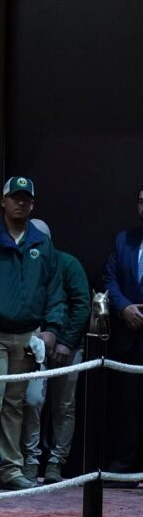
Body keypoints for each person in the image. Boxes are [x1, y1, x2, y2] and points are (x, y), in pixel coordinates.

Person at [0, 176, 64, 491]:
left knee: (16, 402)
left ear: (33, 203)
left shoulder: (42, 242)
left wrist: (52, 327)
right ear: (3, 201)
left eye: (26, 199)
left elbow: (54, 288)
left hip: (27, 334)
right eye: (15, 198)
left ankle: (11, 469)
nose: (21, 203)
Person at [20, 219, 90, 484]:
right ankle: (30, 460)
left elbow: (82, 305)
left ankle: (55, 463)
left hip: (66, 346)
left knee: (63, 405)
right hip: (33, 344)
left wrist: (65, 342)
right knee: (32, 401)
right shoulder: (23, 264)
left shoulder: (68, 264)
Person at [102, 187, 143, 485]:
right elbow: (110, 279)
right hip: (129, 334)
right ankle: (126, 467)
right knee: (128, 405)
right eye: (142, 201)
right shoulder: (124, 239)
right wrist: (124, 307)